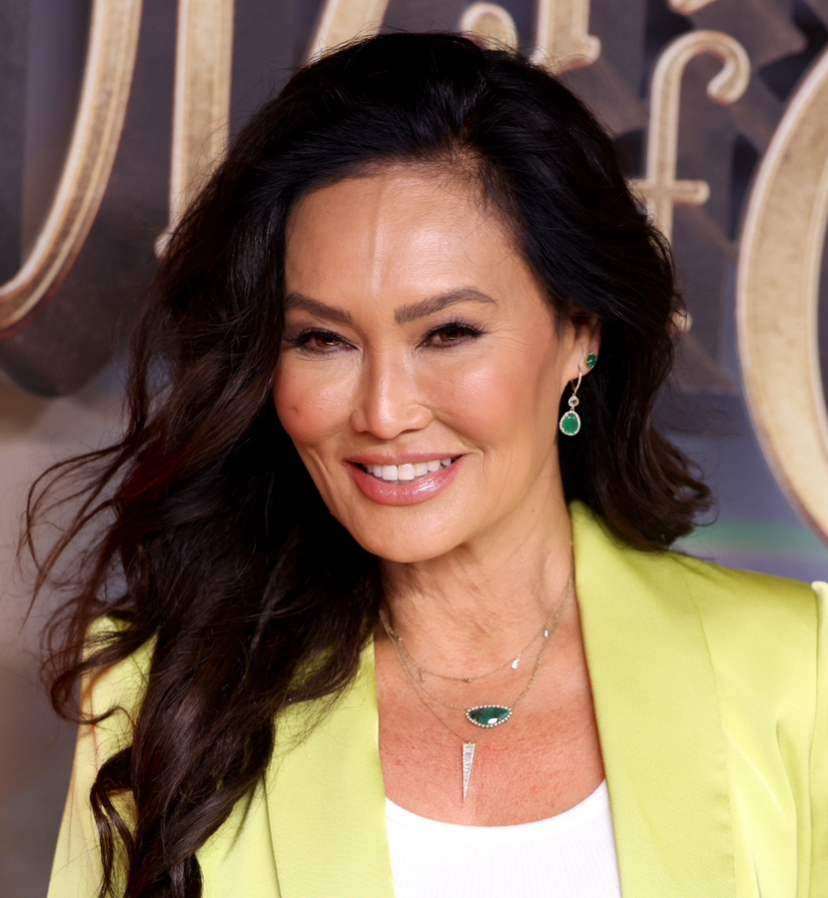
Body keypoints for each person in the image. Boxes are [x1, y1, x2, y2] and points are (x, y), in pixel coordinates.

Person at [35, 32, 826, 898]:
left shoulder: (798, 671)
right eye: (322, 339)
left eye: (448, 333)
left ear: (579, 332)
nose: (383, 413)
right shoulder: (154, 692)